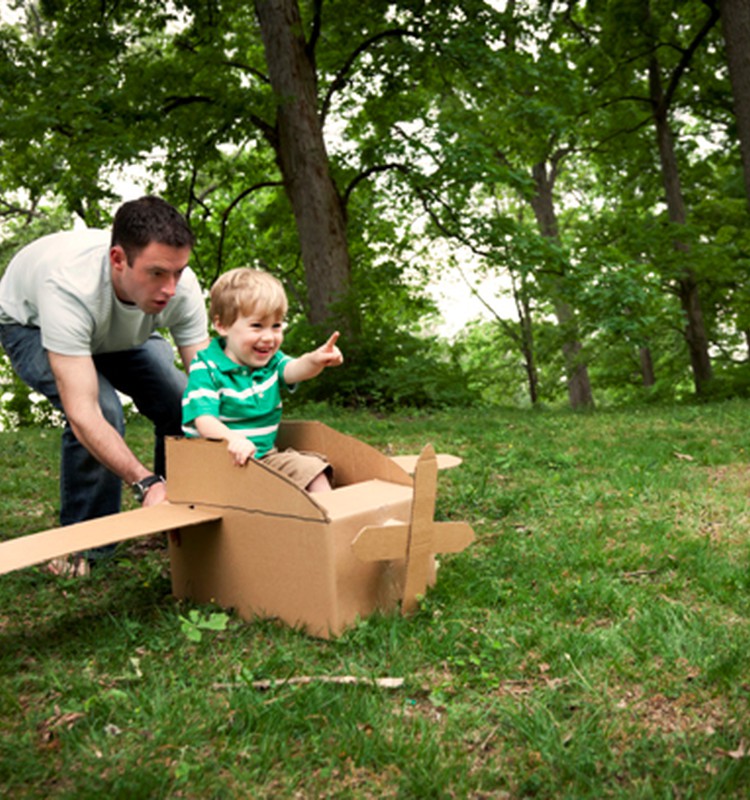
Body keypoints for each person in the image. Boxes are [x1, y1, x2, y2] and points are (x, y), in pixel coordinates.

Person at [0, 196, 210, 574]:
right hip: (32, 324)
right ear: (118, 260)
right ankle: (87, 545)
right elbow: (84, 412)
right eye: (158, 273)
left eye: (179, 272)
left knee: (182, 399)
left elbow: (206, 383)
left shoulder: (181, 287)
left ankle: (173, 515)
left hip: (123, 329)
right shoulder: (67, 286)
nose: (171, 288)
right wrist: (145, 482)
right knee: (105, 412)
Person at [181, 267, 343, 492]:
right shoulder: (207, 366)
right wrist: (232, 439)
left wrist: (316, 359)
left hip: (264, 459)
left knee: (313, 471)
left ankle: (330, 522)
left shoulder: (272, 363)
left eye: (276, 326)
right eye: (257, 326)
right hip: (217, 466)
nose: (268, 337)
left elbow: (296, 369)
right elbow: (204, 420)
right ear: (222, 326)